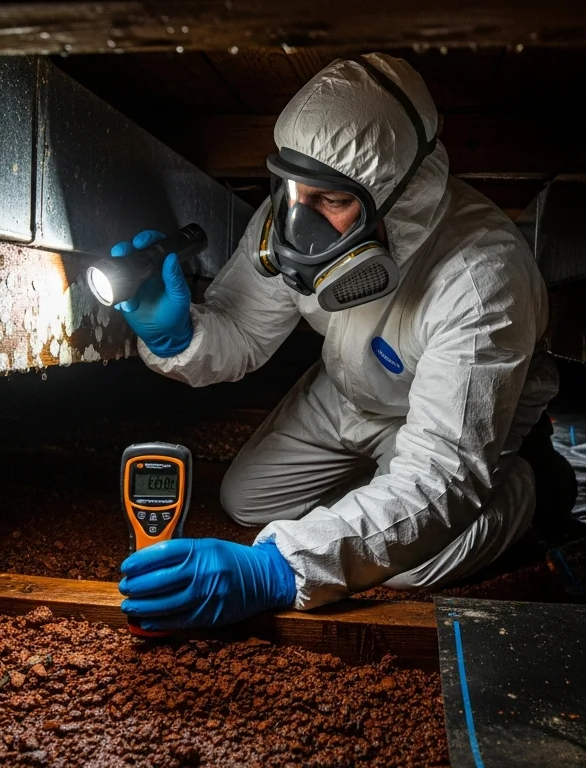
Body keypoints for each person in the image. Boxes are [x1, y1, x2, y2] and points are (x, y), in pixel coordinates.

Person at [112, 53, 558, 632]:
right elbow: (244, 329)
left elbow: (440, 475)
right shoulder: (291, 211)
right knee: (245, 500)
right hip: (347, 390)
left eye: (332, 201)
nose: (301, 222)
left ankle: (525, 485)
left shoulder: (480, 277)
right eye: (294, 187)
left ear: (398, 199)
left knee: (412, 565)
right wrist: (179, 336)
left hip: (442, 421)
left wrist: (278, 569)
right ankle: (372, 500)